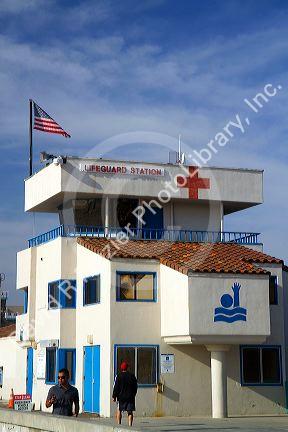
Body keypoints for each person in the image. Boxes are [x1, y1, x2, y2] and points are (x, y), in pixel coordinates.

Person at [112, 361, 138, 427]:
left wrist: (114, 396)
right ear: (127, 368)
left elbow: (116, 387)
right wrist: (133, 394)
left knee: (119, 410)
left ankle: (119, 424)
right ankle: (130, 425)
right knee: (130, 411)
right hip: (130, 397)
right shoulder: (132, 376)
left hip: (121, 397)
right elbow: (135, 386)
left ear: (121, 368)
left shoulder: (119, 376)